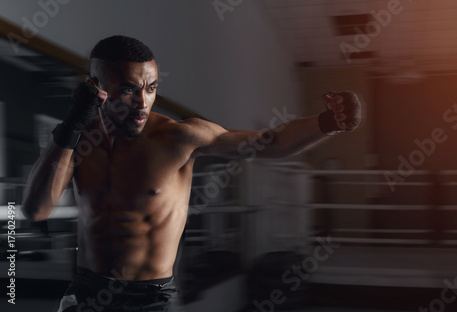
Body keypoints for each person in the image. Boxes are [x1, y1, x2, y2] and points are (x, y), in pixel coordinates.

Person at [21, 35, 361, 312]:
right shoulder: (78, 141)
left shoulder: (179, 138)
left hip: (151, 299)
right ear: (95, 86)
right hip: (87, 291)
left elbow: (270, 143)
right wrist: (71, 125)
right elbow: (36, 209)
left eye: (151, 88)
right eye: (128, 89)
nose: (142, 102)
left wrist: (327, 123)